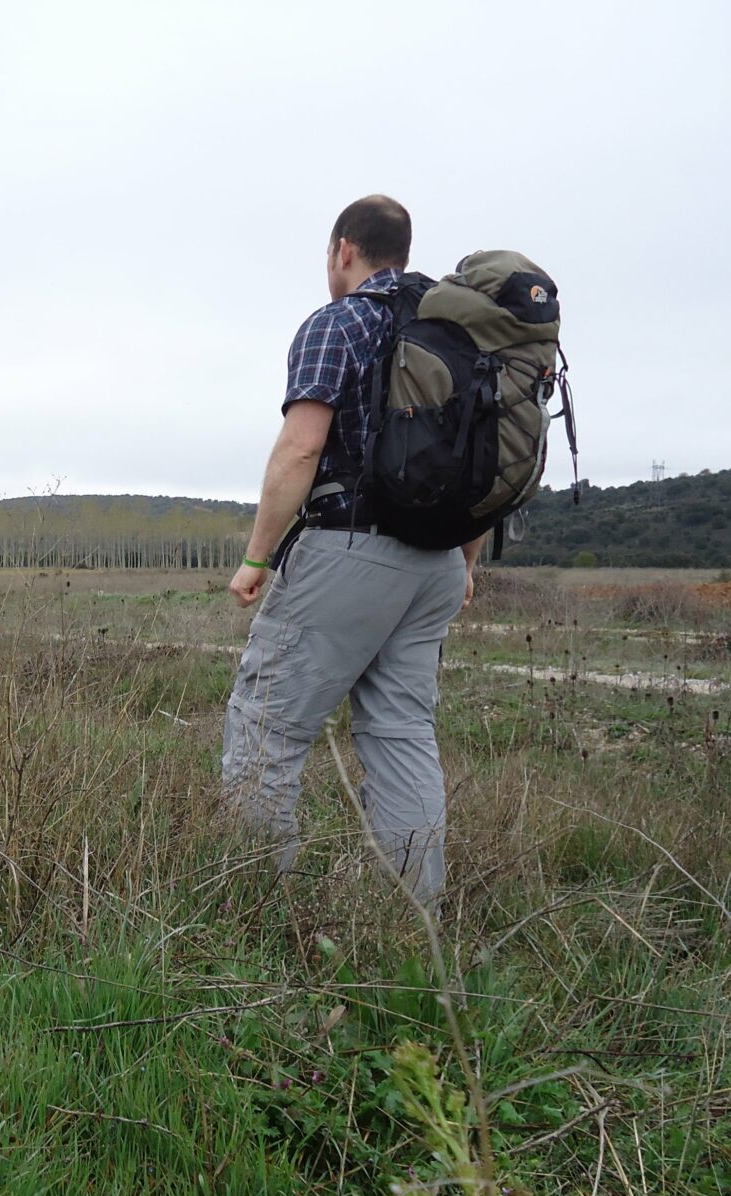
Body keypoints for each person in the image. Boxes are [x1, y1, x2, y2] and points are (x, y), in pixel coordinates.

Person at [221, 195, 485, 908]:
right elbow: (480, 466)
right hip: (435, 565)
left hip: (351, 545)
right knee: (402, 733)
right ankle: (410, 921)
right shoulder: (462, 336)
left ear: (345, 250)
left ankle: (250, 911)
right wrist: (464, 564)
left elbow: (303, 444)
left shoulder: (340, 323)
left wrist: (257, 557)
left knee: (268, 724)